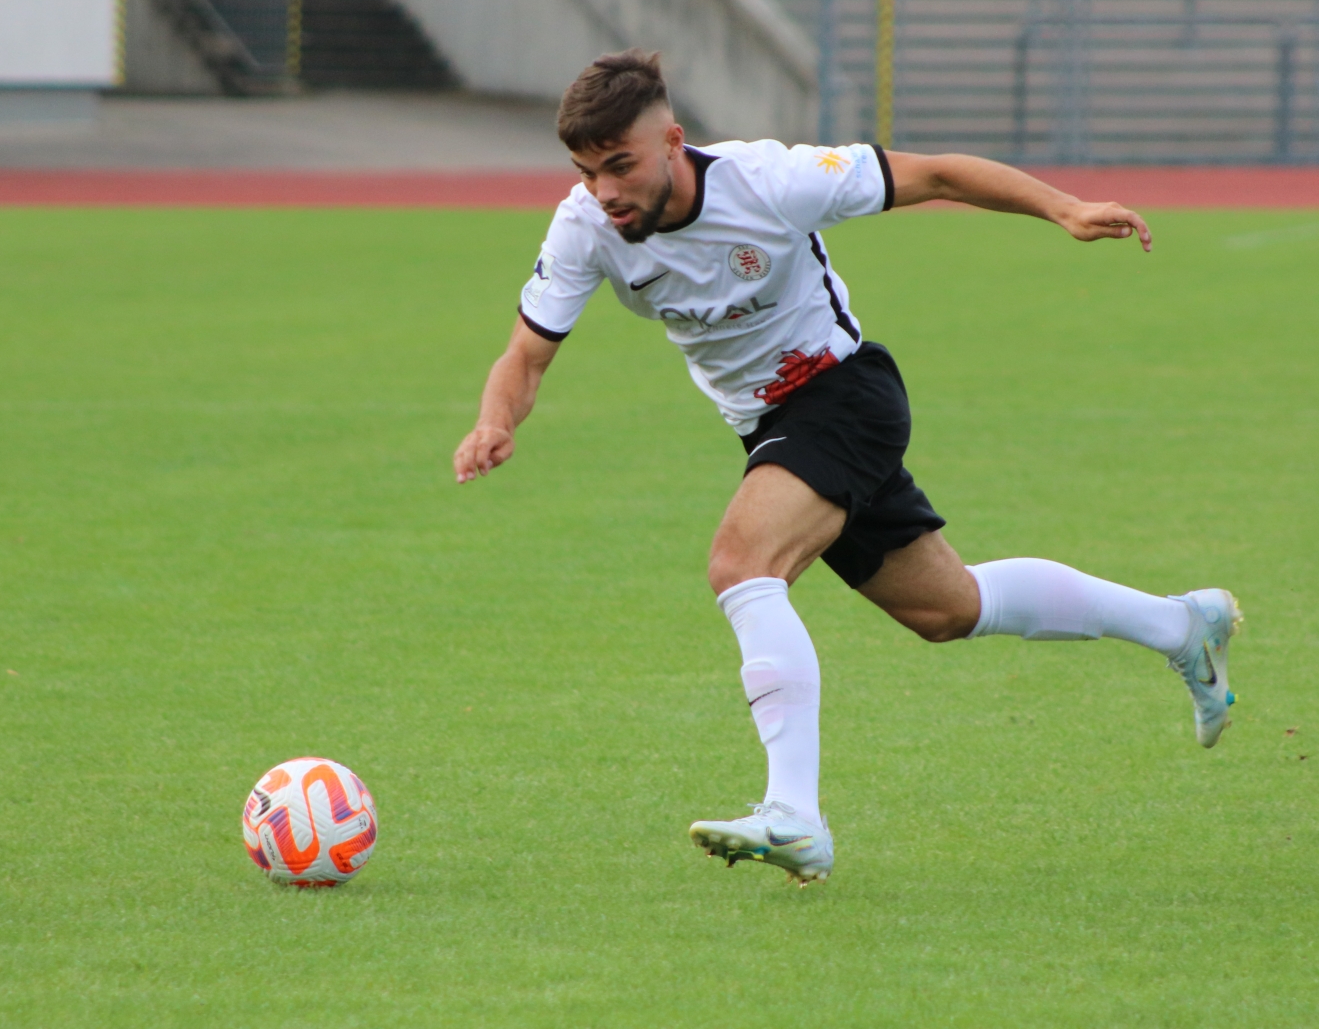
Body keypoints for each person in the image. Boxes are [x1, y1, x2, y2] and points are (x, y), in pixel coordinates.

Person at [451, 51, 1241, 887]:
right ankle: (1181, 626)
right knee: (949, 608)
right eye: (587, 172)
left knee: (741, 565)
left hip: (845, 394)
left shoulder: (770, 181)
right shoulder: (584, 228)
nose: (605, 191)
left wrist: (1064, 207)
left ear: (674, 142)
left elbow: (938, 173)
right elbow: (525, 355)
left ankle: (794, 813)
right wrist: (495, 421)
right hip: (771, 429)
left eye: (621, 165)